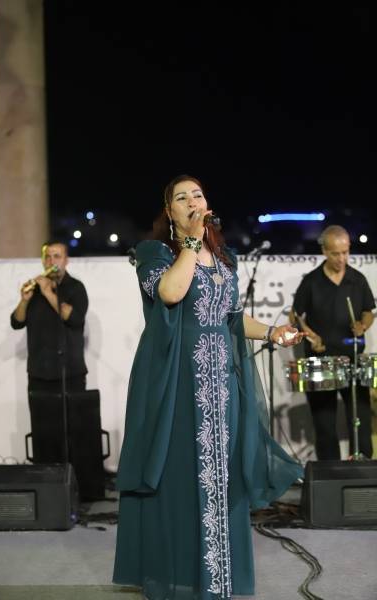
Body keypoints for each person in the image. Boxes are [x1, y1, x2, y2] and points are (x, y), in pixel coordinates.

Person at [113, 175, 304, 599]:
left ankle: (217, 576)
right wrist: (192, 242)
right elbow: (170, 293)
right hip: (177, 381)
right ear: (170, 212)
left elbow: (231, 317)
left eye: (197, 195)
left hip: (222, 385)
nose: (191, 201)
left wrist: (273, 332)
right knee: (181, 474)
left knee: (222, 474)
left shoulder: (223, 259)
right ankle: (181, 577)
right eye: (181, 198)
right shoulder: (155, 253)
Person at [289, 225, 375, 460]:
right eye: (336, 254)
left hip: (352, 359)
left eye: (345, 252)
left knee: (360, 423)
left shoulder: (357, 279)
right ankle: (330, 474)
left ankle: (362, 472)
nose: (342, 259)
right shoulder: (311, 281)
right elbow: (295, 317)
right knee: (325, 427)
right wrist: (311, 335)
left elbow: (369, 311)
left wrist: (363, 325)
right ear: (325, 252)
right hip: (321, 360)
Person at [11, 240, 89, 461]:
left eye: (56, 256)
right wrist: (24, 301)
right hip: (39, 374)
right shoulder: (34, 291)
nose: (51, 261)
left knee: (72, 432)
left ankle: (74, 478)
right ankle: (44, 477)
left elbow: (74, 319)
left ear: (66, 260)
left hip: (69, 374)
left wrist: (48, 292)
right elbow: (16, 322)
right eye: (47, 256)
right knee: (42, 434)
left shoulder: (76, 288)